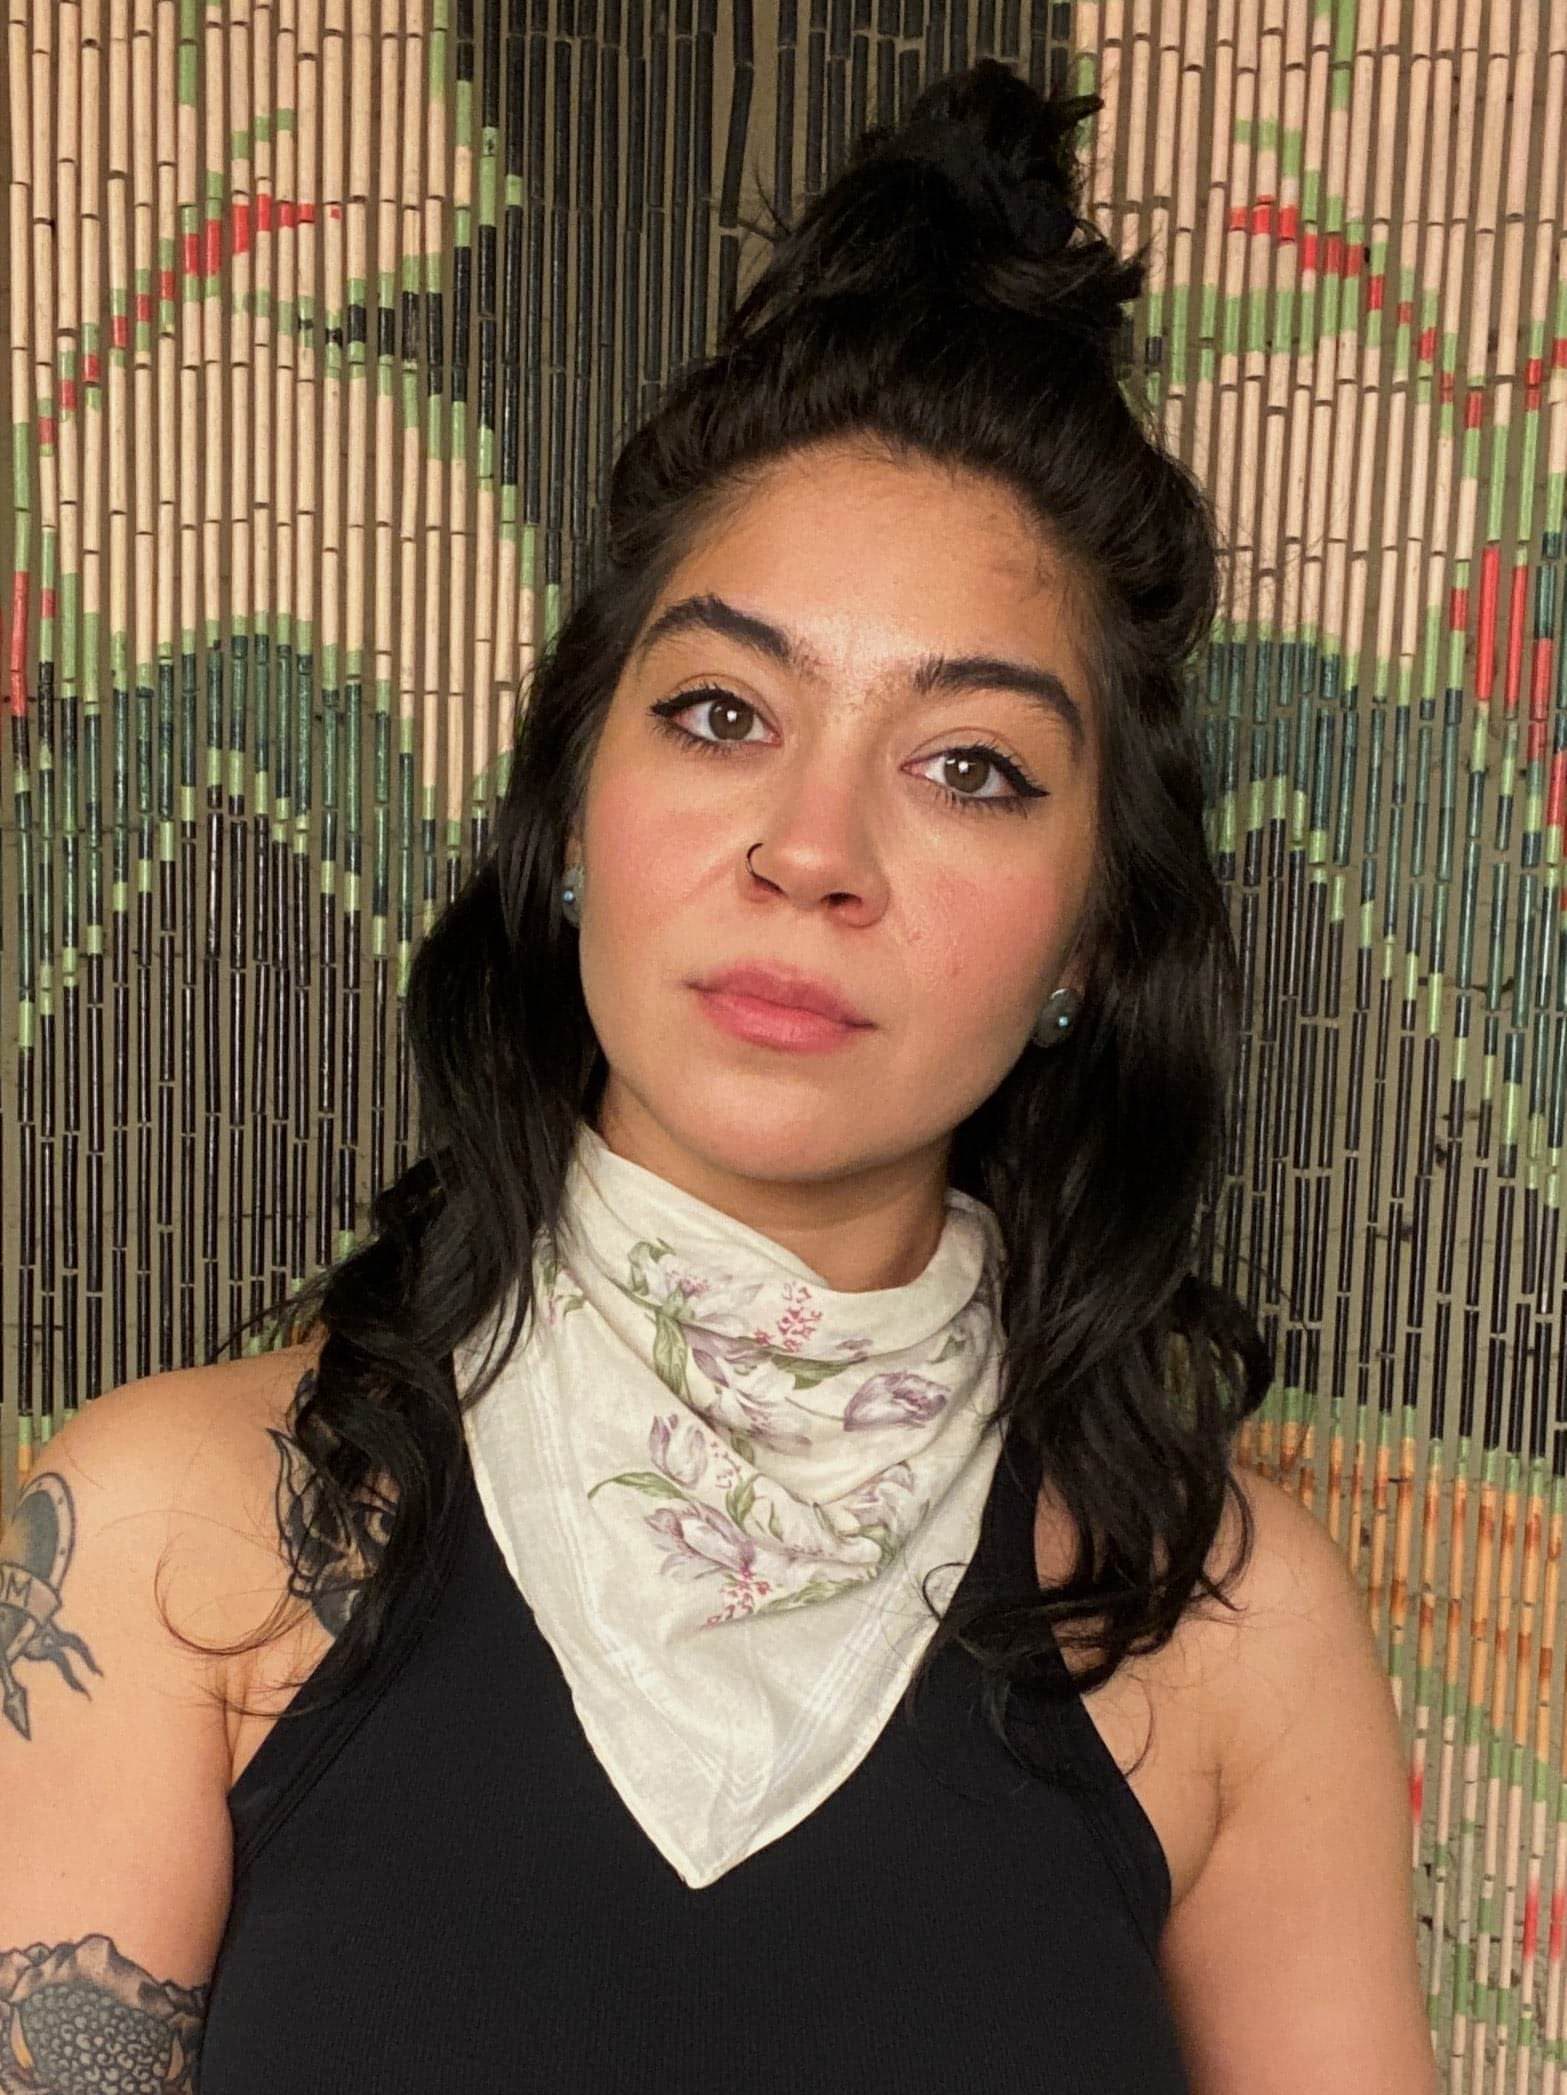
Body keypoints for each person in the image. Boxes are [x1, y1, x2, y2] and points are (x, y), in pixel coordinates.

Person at [0, 58, 1434, 2094]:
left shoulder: (1224, 1631)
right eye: (719, 713)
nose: (812, 848)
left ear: (1093, 939)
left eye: (971, 766)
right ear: (572, 816)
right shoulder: (175, 1539)